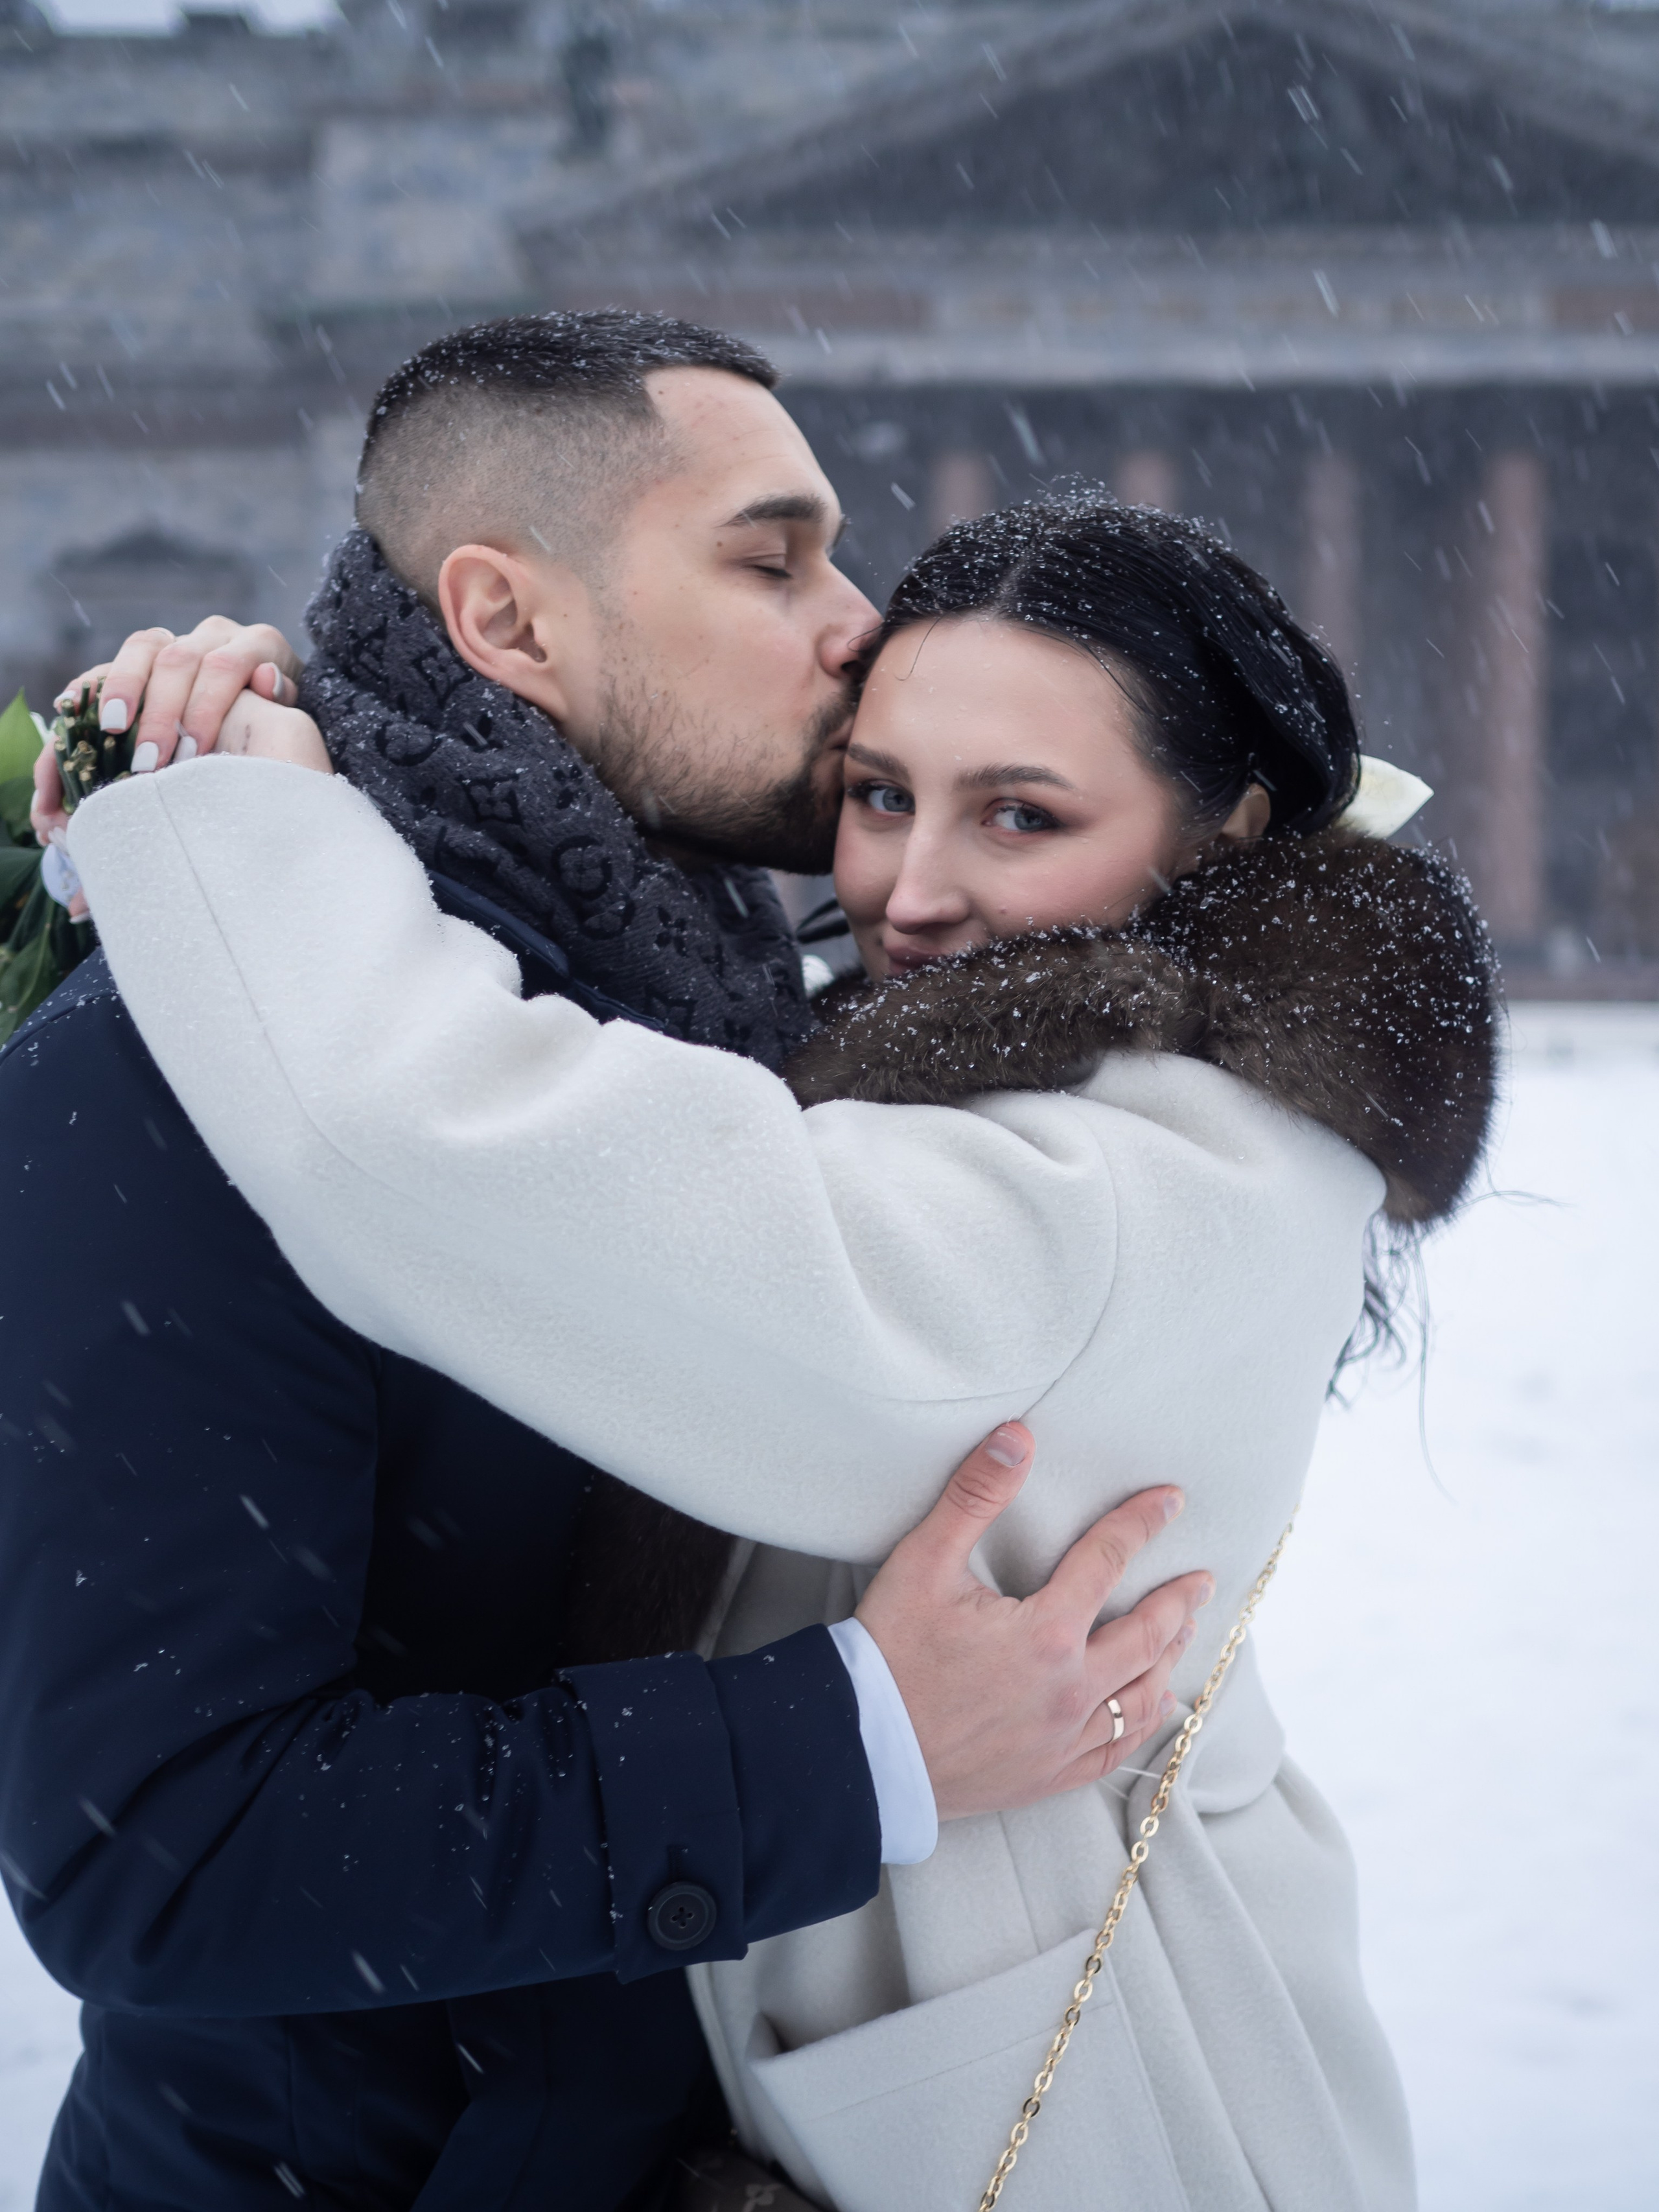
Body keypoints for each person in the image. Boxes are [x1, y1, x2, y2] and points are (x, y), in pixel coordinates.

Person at [62, 483, 1496, 2210]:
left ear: (1223, 829)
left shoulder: (1165, 1176)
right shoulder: (990, 1077)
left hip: (1121, 2117)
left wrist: (233, 813)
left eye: (1023, 816)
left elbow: (460, 1155)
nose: (916, 887)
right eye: (881, 795)